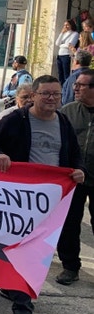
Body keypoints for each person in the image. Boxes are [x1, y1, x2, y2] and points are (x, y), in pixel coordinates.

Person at [0, 75, 84, 314]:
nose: (51, 99)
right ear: (34, 95)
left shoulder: (63, 122)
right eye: (46, 93)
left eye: (57, 94)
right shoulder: (16, 119)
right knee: (18, 248)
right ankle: (22, 306)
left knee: (36, 252)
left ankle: (19, 296)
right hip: (19, 199)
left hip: (51, 200)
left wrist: (78, 170)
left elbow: (74, 155)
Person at [56, 68, 94, 286]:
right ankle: (70, 267)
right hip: (73, 177)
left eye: (81, 85)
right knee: (69, 223)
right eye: (75, 84)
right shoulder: (68, 111)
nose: (75, 88)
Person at [56, 19, 80, 85]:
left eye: (67, 25)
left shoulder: (75, 34)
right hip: (60, 54)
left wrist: (62, 45)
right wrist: (61, 33)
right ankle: (61, 88)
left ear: (71, 25)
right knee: (60, 74)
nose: (65, 26)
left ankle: (67, 88)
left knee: (66, 74)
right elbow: (57, 43)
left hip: (66, 55)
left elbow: (70, 45)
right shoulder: (64, 34)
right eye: (64, 25)